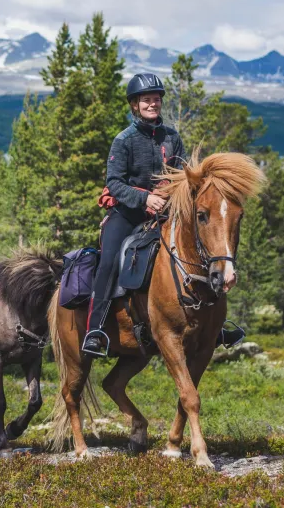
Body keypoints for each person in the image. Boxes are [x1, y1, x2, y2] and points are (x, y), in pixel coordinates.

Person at [82, 72, 245, 357]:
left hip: (165, 213)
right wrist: (145, 197)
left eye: (156, 99)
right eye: (146, 100)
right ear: (135, 105)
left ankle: (213, 326)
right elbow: (114, 183)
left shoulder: (172, 137)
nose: (152, 104)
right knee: (108, 261)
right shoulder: (124, 140)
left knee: (203, 249)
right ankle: (95, 330)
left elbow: (182, 176)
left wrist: (176, 193)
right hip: (128, 214)